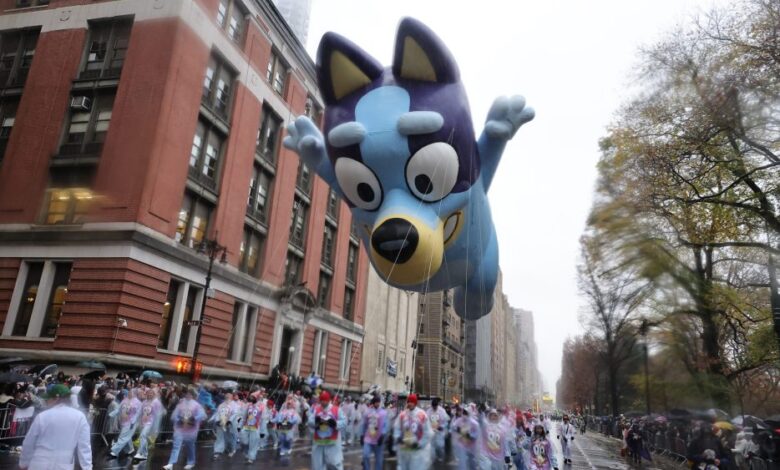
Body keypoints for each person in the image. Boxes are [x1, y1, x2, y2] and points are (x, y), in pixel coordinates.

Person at [19, 384, 92, 470]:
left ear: (56, 398)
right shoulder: (80, 417)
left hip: (39, 463)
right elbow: (84, 447)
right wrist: (87, 467)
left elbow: (29, 442)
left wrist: (24, 463)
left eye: (48, 399)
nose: (46, 401)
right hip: (64, 464)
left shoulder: (42, 416)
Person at [163, 387, 207, 470]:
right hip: (180, 429)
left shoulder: (197, 405)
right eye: (187, 393)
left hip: (191, 430)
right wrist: (178, 419)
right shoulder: (181, 404)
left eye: (190, 393)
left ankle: (191, 462)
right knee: (176, 446)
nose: (188, 395)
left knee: (190, 446)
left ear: (193, 395)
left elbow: (202, 415)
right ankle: (170, 463)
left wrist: (194, 418)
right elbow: (174, 415)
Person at [393, 393, 433, 470]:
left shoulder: (422, 414)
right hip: (404, 448)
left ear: (415, 403)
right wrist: (398, 437)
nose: (410, 403)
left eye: (412, 402)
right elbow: (397, 427)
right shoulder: (403, 414)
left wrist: (420, 444)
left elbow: (428, 432)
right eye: (409, 401)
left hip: (416, 450)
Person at [308, 390, 347, 470]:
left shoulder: (336, 409)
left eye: (325, 400)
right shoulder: (317, 409)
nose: (323, 402)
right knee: (317, 465)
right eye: (321, 400)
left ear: (329, 400)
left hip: (332, 442)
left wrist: (335, 423)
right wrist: (316, 423)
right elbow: (310, 421)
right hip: (319, 442)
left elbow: (344, 422)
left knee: (334, 464)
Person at [133, 388, 164, 461]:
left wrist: (156, 426)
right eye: (148, 393)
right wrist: (137, 421)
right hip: (144, 422)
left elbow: (158, 415)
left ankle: (139, 453)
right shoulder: (144, 402)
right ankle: (145, 454)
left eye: (151, 393)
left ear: (154, 394)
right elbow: (140, 412)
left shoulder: (156, 403)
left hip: (150, 423)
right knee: (144, 437)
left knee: (143, 435)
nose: (150, 394)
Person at [109, 388, 141, 457]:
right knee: (127, 436)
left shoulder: (138, 402)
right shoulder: (125, 400)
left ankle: (115, 451)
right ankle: (130, 449)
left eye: (131, 392)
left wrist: (133, 421)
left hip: (131, 422)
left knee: (122, 436)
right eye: (129, 392)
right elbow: (119, 408)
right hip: (123, 421)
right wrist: (111, 414)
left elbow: (138, 413)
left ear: (135, 393)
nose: (129, 393)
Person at [360, 395, 387, 470]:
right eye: (376, 402)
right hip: (368, 439)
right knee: (365, 455)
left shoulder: (383, 413)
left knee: (378, 459)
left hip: (378, 440)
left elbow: (385, 425)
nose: (377, 404)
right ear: (373, 402)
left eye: (378, 402)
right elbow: (364, 424)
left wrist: (383, 435)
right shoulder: (367, 412)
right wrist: (362, 435)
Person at [212, 391, 240, 460]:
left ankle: (231, 450)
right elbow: (217, 413)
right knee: (220, 437)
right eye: (226, 395)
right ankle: (217, 451)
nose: (227, 397)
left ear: (232, 397)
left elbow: (235, 414)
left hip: (230, 424)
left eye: (229, 395)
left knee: (230, 437)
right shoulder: (221, 405)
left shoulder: (235, 405)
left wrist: (229, 420)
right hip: (221, 423)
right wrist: (217, 420)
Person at [451, 404, 480, 470]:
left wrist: (471, 436)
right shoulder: (459, 420)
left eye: (466, 412)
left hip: (471, 446)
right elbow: (453, 426)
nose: (464, 414)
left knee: (472, 462)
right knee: (462, 462)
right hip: (462, 445)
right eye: (463, 412)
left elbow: (477, 433)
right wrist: (458, 430)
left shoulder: (474, 423)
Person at [241, 395, 268, 464]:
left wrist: (262, 431)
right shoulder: (248, 405)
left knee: (253, 443)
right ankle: (246, 452)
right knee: (244, 441)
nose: (259, 399)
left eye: (261, 398)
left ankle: (251, 458)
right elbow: (244, 416)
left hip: (255, 428)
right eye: (258, 398)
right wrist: (240, 425)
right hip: (246, 426)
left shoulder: (262, 407)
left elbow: (263, 419)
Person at [426, 397, 450, 463]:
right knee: (432, 446)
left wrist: (442, 426)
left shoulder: (442, 411)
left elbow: (446, 421)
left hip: (439, 432)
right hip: (432, 431)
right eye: (433, 406)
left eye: (435, 407)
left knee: (440, 445)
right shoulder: (429, 411)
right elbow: (426, 421)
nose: (434, 408)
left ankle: (440, 456)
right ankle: (433, 458)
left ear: (437, 405)